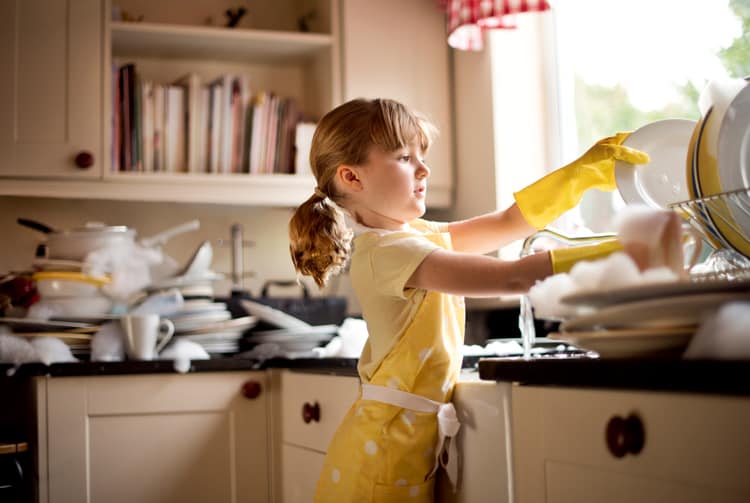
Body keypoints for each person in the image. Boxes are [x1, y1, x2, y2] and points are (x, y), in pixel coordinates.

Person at [288, 98, 651, 502]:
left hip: (398, 445)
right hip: (382, 455)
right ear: (352, 178)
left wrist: (577, 175)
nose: (424, 169)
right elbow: (511, 277)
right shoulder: (387, 252)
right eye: (405, 157)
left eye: (421, 155)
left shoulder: (413, 236)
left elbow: (506, 225)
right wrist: (625, 251)